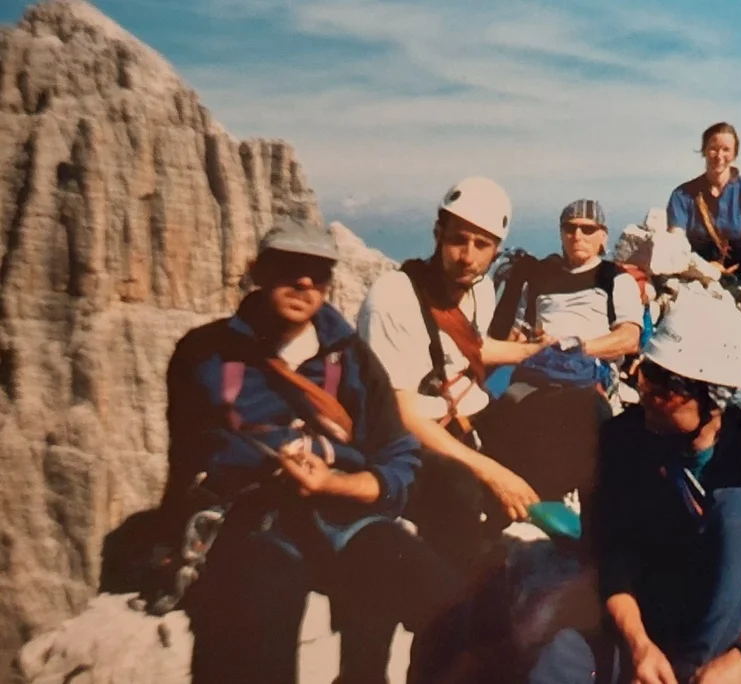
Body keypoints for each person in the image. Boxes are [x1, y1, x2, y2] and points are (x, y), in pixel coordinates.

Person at [166, 217, 458, 684]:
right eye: (289, 267)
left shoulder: (351, 357)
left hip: (345, 514)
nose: (304, 281)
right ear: (259, 271)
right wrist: (172, 538)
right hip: (257, 516)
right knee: (260, 617)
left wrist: (338, 483)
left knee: (452, 609)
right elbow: (188, 458)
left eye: (317, 272)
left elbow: (396, 451)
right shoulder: (204, 353)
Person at [528, 292, 741, 684]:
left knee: (739, 508)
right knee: (559, 661)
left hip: (738, 638)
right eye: (647, 375)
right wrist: (639, 646)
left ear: (711, 397)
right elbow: (610, 554)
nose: (646, 393)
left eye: (666, 387)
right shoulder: (621, 440)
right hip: (650, 623)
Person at [355, 176, 558, 570]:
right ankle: (467, 588)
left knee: (567, 415)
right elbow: (402, 413)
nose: (467, 256)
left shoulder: (477, 288)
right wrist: (494, 474)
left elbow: (472, 348)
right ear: (438, 233)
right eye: (457, 240)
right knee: (459, 485)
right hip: (413, 436)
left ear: (496, 250)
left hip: (468, 416)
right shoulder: (393, 299)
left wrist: (532, 351)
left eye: (482, 245)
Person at [482, 198, 646, 499]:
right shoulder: (540, 279)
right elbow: (518, 334)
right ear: (561, 234)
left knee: (582, 414)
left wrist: (575, 347)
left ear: (603, 236)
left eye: (587, 229)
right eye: (570, 228)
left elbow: (629, 338)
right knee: (500, 409)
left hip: (587, 367)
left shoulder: (615, 279)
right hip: (537, 364)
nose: (578, 236)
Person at [666, 122, 741, 310]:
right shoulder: (683, 195)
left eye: (726, 150)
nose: (719, 156)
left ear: (735, 154)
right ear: (703, 151)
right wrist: (705, 269)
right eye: (713, 149)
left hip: (739, 275)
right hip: (696, 276)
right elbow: (675, 243)